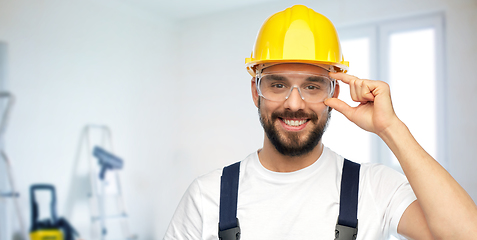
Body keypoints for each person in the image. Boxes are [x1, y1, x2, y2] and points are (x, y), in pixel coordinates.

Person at [164, 5, 477, 240]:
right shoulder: (207, 197)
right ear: (255, 91)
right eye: (278, 85)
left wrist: (390, 128)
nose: (294, 103)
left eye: (312, 86)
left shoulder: (374, 187)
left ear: (334, 92)